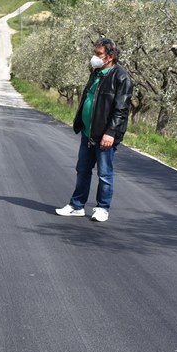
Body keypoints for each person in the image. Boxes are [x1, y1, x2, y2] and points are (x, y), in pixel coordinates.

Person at [55, 37, 133, 222]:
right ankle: (77, 206)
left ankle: (102, 208)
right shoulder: (96, 73)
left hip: (105, 135)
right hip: (88, 132)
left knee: (104, 174)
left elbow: (121, 110)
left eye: (99, 54)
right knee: (82, 169)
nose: (94, 57)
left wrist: (111, 132)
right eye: (94, 53)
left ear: (110, 57)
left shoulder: (121, 78)